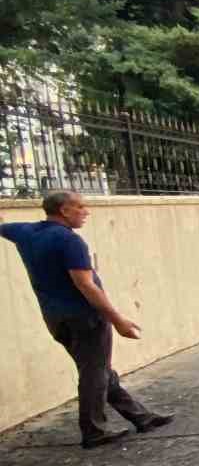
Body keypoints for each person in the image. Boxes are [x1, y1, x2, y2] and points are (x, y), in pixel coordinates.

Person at [1, 191, 172, 448]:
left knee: (98, 368)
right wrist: (117, 320)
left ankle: (141, 417)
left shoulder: (25, 232)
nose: (86, 211)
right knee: (94, 373)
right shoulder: (70, 241)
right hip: (85, 318)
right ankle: (94, 431)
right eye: (79, 206)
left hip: (55, 318)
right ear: (63, 210)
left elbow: (3, 228)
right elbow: (86, 285)